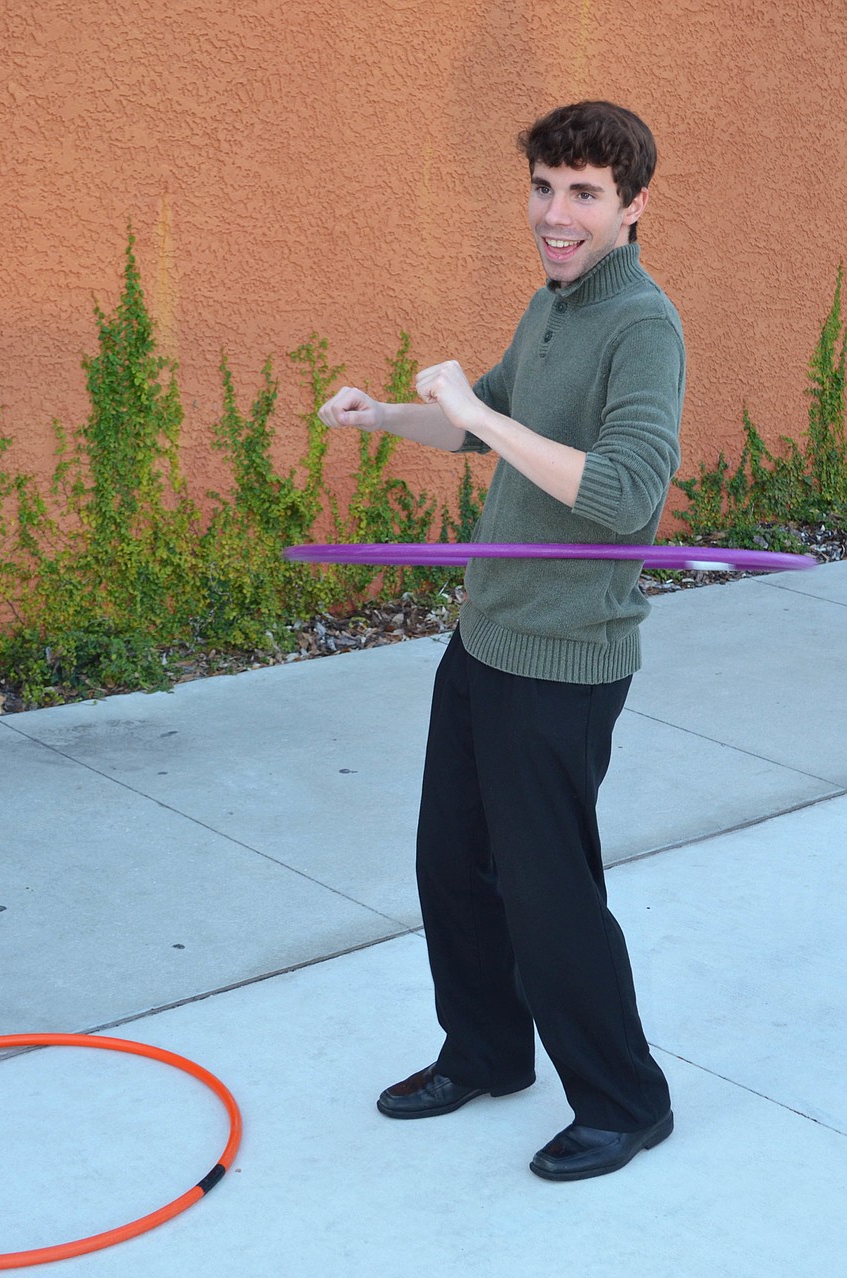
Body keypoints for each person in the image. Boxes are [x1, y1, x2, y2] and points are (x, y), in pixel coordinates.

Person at [318, 101, 685, 1181]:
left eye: (582, 193)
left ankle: (625, 1099)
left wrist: (480, 423)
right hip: (488, 636)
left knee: (548, 891)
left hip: (565, 656)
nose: (555, 214)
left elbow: (623, 495)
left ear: (632, 205)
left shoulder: (641, 325)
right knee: (453, 866)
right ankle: (484, 1051)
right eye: (543, 186)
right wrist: (386, 415)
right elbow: (478, 417)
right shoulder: (554, 304)